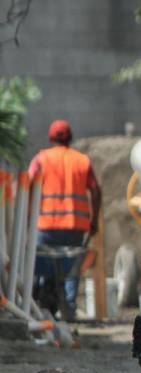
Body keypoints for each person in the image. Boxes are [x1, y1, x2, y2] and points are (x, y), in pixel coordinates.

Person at [28, 120, 101, 320]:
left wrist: (27, 218)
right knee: (71, 269)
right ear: (70, 138)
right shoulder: (82, 161)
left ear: (51, 138)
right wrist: (94, 221)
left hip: (46, 227)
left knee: (41, 268)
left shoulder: (41, 159)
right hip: (75, 228)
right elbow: (95, 190)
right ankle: (69, 308)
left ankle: (38, 305)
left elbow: (28, 185)